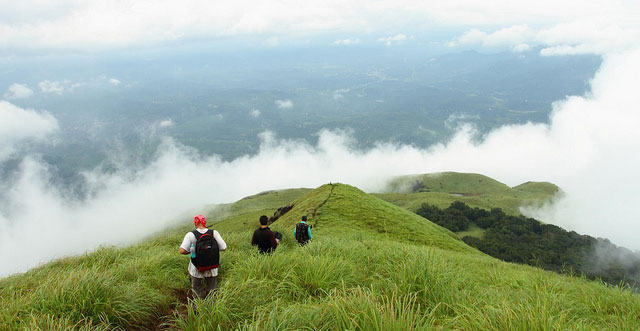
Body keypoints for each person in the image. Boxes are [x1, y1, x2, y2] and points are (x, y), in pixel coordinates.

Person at [179, 214, 227, 300]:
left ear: (195, 223)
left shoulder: (191, 235)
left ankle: (198, 309)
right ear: (204, 222)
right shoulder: (214, 233)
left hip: (196, 268)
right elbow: (224, 247)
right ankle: (212, 309)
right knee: (212, 290)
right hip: (212, 268)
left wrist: (193, 251)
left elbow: (182, 251)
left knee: (197, 290)